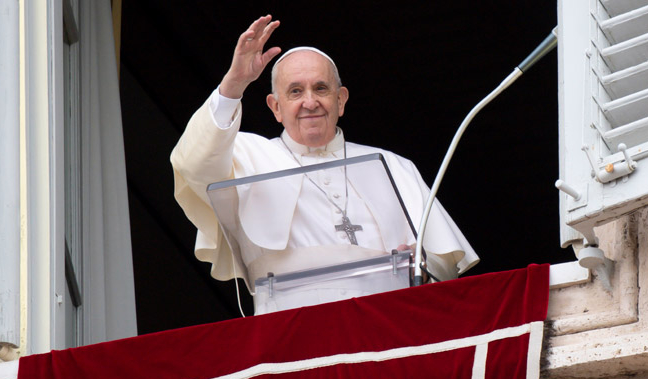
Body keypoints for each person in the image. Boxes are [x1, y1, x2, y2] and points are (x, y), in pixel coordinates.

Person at [170, 15, 478, 313]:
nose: (310, 102)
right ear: (275, 107)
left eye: (321, 88)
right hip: (290, 333)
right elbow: (194, 165)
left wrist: (421, 265)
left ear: (341, 100)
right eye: (295, 91)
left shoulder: (393, 166)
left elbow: (441, 266)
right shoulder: (246, 156)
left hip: (387, 332)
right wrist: (234, 84)